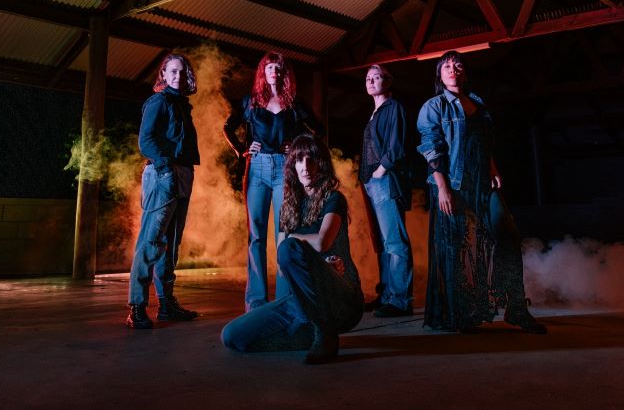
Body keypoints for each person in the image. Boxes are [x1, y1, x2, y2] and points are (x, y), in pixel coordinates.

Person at [416, 51, 546, 334]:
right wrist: (443, 189)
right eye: (446, 66)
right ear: (439, 74)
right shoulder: (434, 106)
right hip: (454, 184)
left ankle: (516, 309)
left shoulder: (476, 103)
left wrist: (493, 168)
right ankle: (460, 314)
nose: (453, 69)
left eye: (457, 65)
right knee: (458, 248)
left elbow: (485, 142)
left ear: (465, 72)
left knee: (508, 234)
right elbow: (431, 149)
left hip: (482, 183)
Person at [221, 134, 362, 364]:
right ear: (292, 165)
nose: (305, 167)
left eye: (311, 159)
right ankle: (309, 335)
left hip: (341, 297)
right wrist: (306, 255)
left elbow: (321, 243)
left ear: (322, 163)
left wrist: (295, 243)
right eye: (299, 160)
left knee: (289, 247)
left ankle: (325, 333)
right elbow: (284, 261)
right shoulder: (290, 204)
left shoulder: (333, 198)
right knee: (233, 337)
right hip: (303, 298)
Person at [223, 52, 324, 311]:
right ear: (263, 73)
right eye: (269, 69)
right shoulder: (251, 102)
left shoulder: (294, 103)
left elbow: (318, 130)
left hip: (284, 168)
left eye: (278, 69)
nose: (274, 73)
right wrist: (241, 148)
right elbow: (228, 127)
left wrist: (298, 146)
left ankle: (283, 297)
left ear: (284, 74)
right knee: (256, 234)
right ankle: (255, 301)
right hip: (256, 168)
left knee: (284, 232)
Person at [126, 53, 201, 329]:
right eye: (173, 72)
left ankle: (167, 305)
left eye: (182, 72)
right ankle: (137, 305)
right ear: (164, 75)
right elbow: (145, 140)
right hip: (163, 175)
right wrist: (164, 167)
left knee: (171, 246)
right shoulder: (159, 101)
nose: (178, 76)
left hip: (182, 174)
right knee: (151, 241)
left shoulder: (182, 104)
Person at [359, 64, 414, 318]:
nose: (371, 81)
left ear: (388, 81)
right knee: (383, 243)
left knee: (394, 241)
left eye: (377, 77)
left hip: (385, 180)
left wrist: (380, 171)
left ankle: (400, 301)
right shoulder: (375, 112)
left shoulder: (394, 108)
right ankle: (387, 295)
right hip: (372, 182)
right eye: (368, 78)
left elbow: (397, 146)